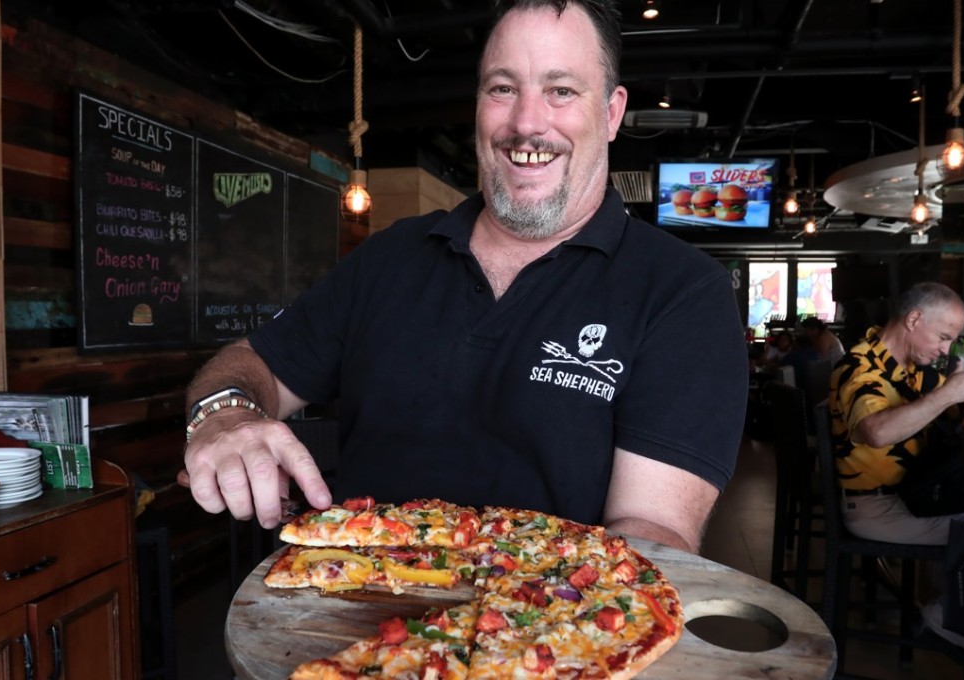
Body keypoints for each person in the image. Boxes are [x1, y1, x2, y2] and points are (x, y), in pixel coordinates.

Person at [180, 0, 749, 553]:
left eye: (561, 91)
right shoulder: (390, 256)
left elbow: (650, 534)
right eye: (503, 88)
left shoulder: (682, 292)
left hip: (551, 640)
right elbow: (251, 365)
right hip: (349, 621)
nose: (526, 123)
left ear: (611, 112)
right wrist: (226, 415)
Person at [828, 281, 964, 546]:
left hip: (917, 494)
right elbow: (877, 432)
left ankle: (945, 586)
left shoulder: (914, 368)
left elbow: (961, 400)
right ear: (913, 319)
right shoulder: (859, 367)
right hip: (875, 505)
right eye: (943, 337)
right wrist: (947, 395)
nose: (945, 350)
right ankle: (949, 588)